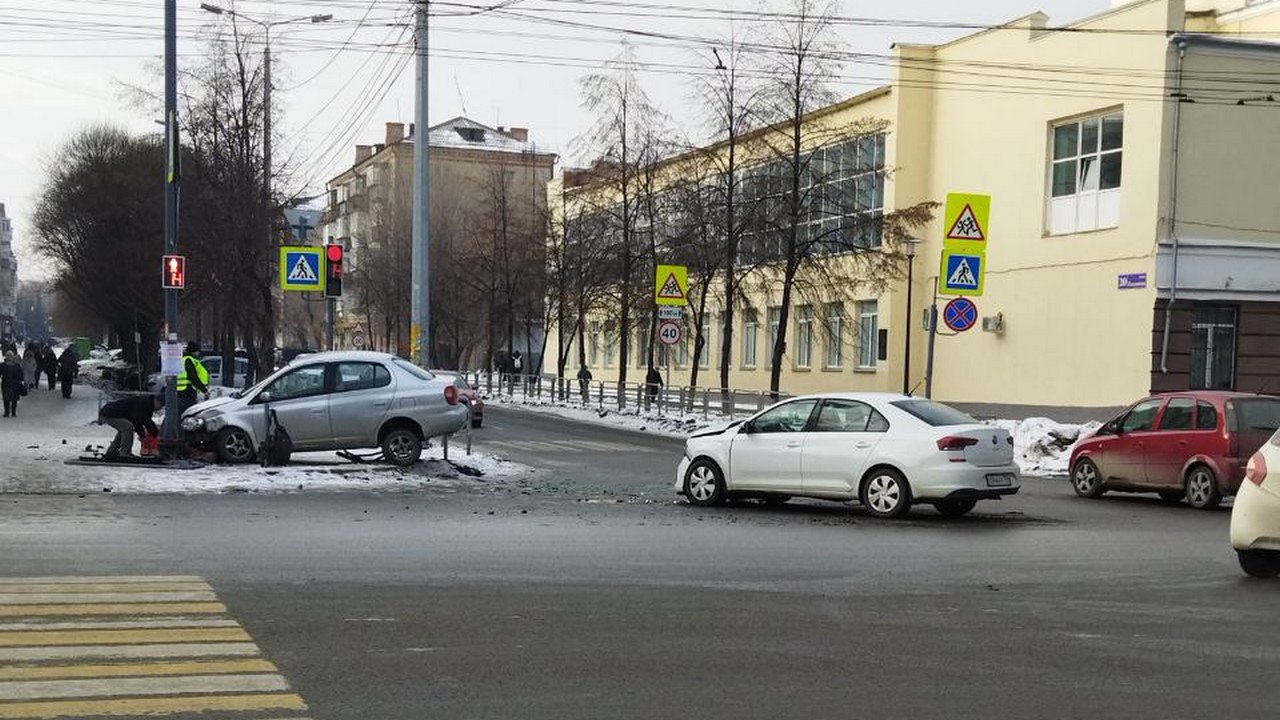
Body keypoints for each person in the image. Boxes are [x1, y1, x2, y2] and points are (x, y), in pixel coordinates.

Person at [97, 393, 163, 459]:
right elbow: (136, 420)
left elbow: (147, 421)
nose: (160, 408)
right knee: (128, 427)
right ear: (156, 400)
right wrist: (142, 435)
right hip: (109, 413)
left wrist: (156, 434)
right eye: (161, 405)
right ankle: (125, 454)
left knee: (124, 429)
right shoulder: (144, 403)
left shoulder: (148, 404)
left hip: (112, 413)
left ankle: (112, 451)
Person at [176, 341, 210, 415]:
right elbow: (193, 377)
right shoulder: (189, 360)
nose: (198, 353)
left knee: (179, 412)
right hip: (187, 391)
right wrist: (204, 390)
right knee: (187, 413)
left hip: (181, 391)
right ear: (194, 351)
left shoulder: (184, 359)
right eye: (197, 351)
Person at [0, 351, 24, 418]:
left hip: (13, 384)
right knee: (7, 399)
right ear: (6, 356)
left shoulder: (16, 365)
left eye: (10, 355)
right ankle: (7, 412)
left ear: (13, 357)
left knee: (14, 399)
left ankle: (12, 412)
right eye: (8, 355)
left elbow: (21, 375)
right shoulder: (2, 365)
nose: (9, 357)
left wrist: (21, 381)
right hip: (6, 384)